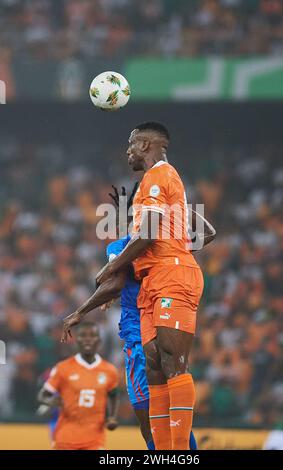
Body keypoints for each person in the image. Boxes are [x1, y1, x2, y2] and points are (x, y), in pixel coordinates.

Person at [61, 179, 215, 450]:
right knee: (174, 416)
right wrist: (177, 207)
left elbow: (115, 284)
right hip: (168, 330)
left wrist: (80, 311)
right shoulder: (168, 243)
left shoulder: (121, 247)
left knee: (151, 426)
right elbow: (208, 233)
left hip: (140, 339)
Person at [93, 121, 211, 450]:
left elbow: (146, 235)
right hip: (152, 282)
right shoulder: (151, 182)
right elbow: (202, 232)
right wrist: (178, 240)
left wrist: (113, 264)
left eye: (131, 145)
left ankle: (179, 453)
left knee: (173, 362)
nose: (127, 151)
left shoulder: (160, 175)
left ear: (145, 145)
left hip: (172, 275)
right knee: (155, 364)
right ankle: (163, 452)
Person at [38, 322, 119, 450]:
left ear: (99, 340)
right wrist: (50, 400)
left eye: (92, 335)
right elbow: (43, 394)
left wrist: (111, 417)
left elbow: (113, 394)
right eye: (83, 335)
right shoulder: (62, 368)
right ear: (76, 340)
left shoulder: (109, 370)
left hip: (95, 440)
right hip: (66, 439)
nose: (88, 339)